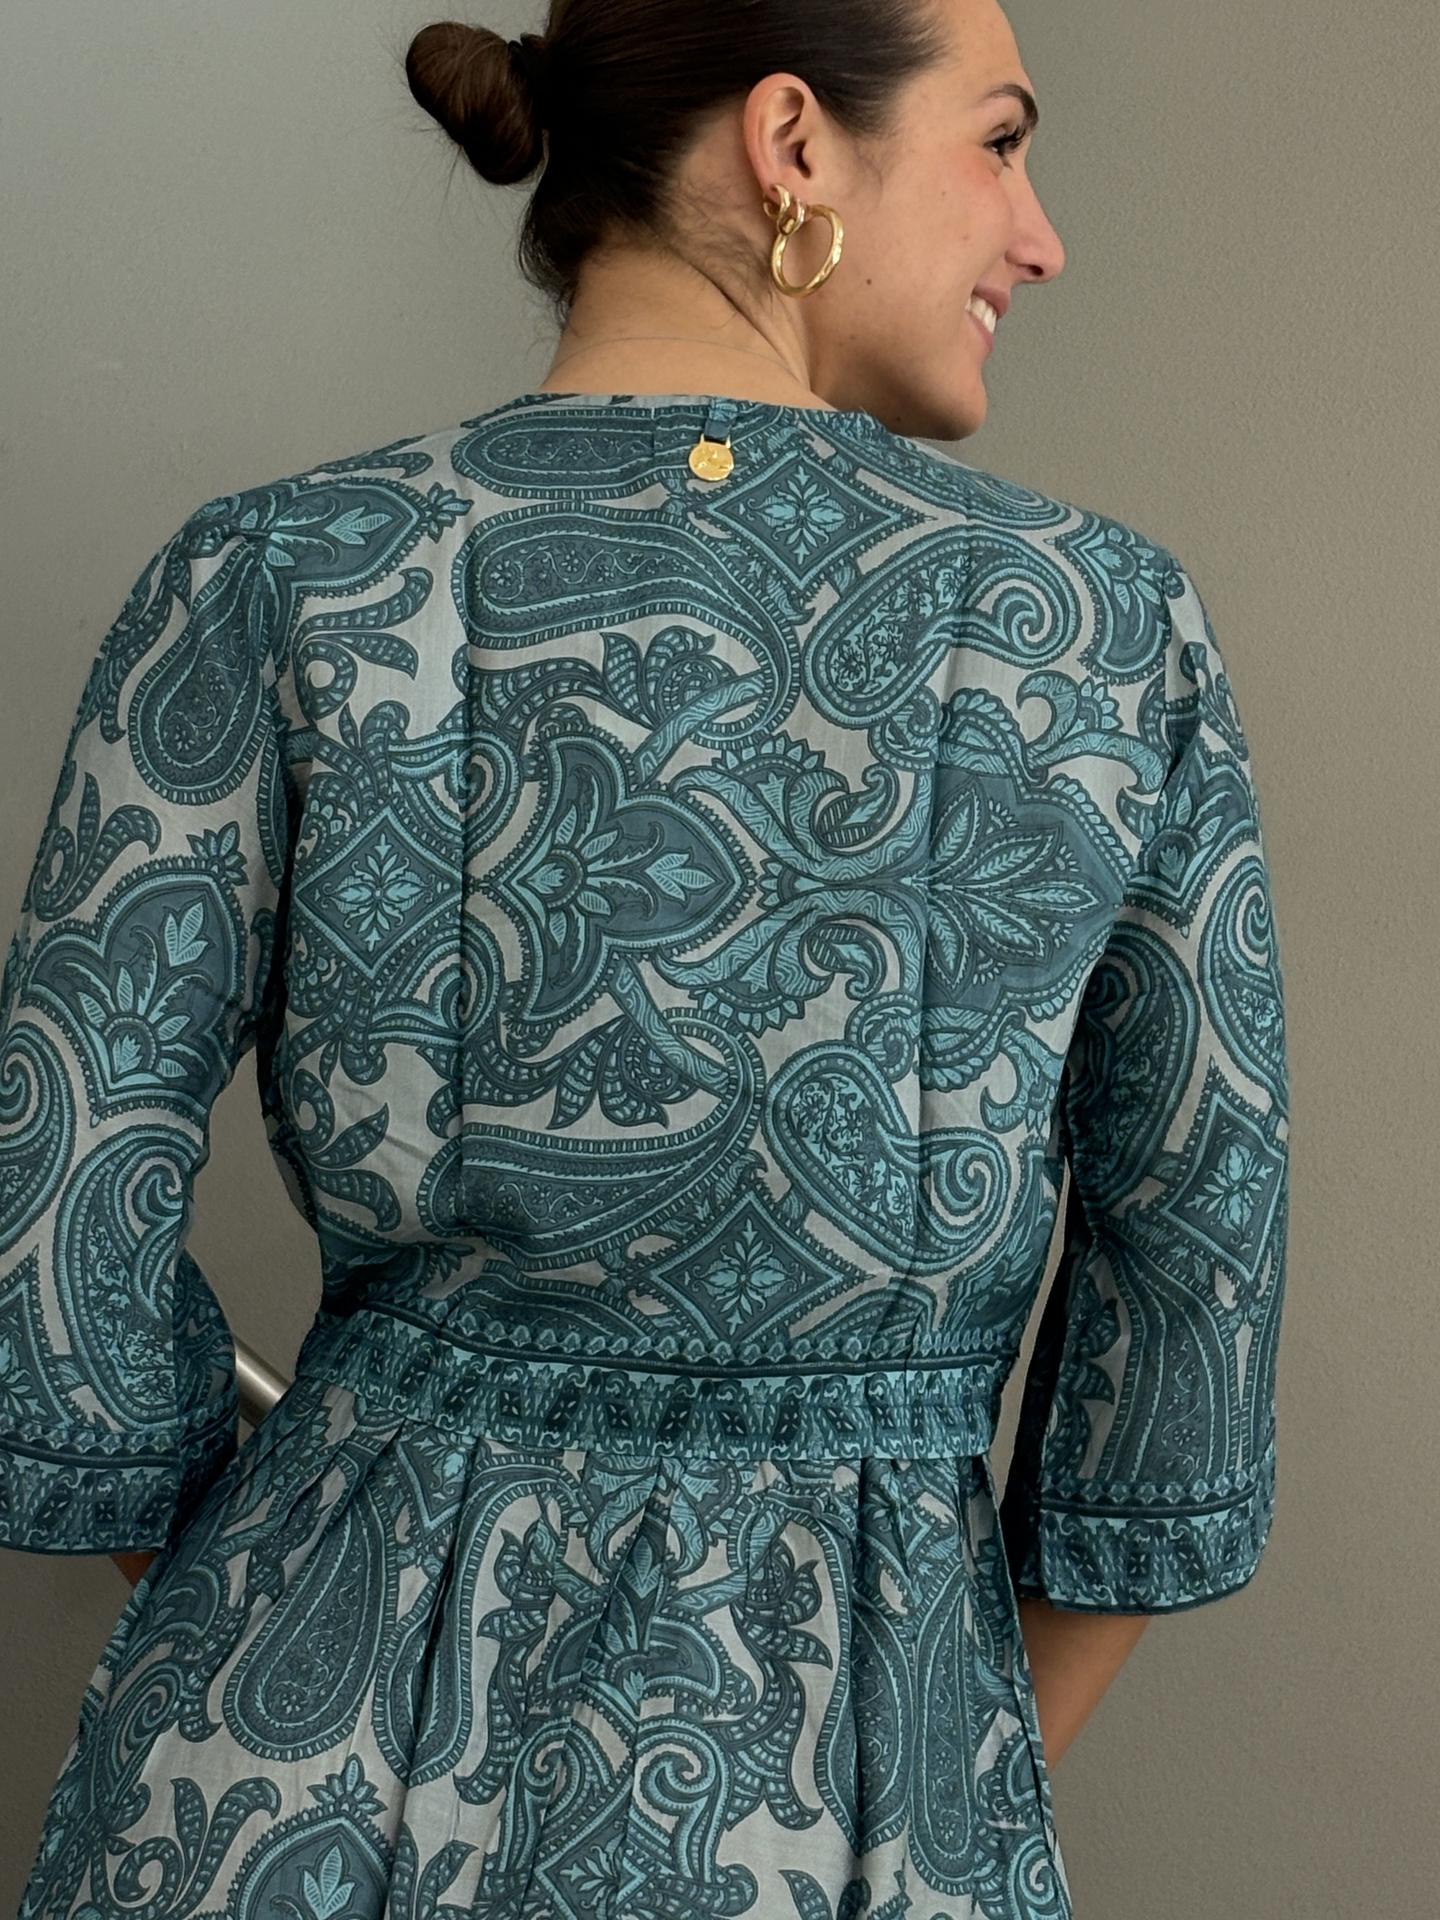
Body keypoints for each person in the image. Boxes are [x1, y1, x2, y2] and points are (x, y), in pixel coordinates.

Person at [1, 2, 1290, 1916]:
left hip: (279, 1794)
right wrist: (947, 1761)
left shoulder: (278, 576)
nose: (1040, 236)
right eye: (1002, 141)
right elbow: (1198, 1282)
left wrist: (281, 1586)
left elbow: (48, 1211)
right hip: (860, 1799)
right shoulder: (1106, 634)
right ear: (793, 142)